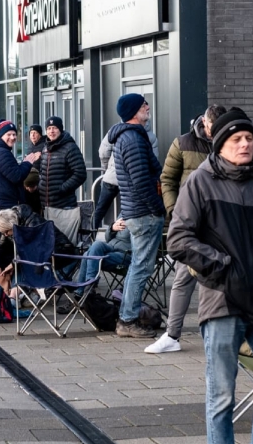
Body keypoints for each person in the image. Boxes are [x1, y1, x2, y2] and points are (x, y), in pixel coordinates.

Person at [168, 108, 253, 444]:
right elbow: (178, 240)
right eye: (238, 139)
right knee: (222, 395)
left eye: (250, 139)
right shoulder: (199, 181)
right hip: (223, 301)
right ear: (221, 143)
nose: (245, 145)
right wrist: (225, 267)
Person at [145, 104, 226, 354]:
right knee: (183, 277)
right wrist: (174, 209)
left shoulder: (227, 142)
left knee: (215, 280)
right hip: (190, 221)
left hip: (220, 222)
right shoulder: (182, 143)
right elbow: (167, 179)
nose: (215, 134)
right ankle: (172, 335)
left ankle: (216, 334)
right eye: (213, 129)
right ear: (204, 122)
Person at [108, 94, 166, 338]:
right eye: (144, 105)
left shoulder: (131, 137)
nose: (148, 107)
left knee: (137, 266)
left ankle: (127, 317)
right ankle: (128, 320)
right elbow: (141, 181)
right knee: (141, 267)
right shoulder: (132, 139)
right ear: (133, 111)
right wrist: (157, 208)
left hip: (137, 211)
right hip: (143, 213)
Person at [95, 122, 158, 229]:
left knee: (100, 209)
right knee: (131, 211)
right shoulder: (150, 136)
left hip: (112, 177)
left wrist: (108, 167)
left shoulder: (116, 130)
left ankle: (89, 237)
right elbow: (153, 160)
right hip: (133, 180)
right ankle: (124, 238)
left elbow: (103, 151)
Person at [0, 120, 42, 215]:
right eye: (8, 134)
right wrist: (27, 162)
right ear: (1, 136)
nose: (12, 137)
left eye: (14, 134)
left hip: (4, 203)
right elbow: (16, 176)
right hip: (5, 205)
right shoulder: (1, 152)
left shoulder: (1, 151)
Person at [36, 116, 87, 210]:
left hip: (64, 206)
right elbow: (42, 172)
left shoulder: (70, 147)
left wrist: (62, 188)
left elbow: (80, 174)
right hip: (45, 206)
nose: (51, 131)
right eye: (49, 128)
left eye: (55, 128)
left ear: (60, 129)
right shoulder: (45, 147)